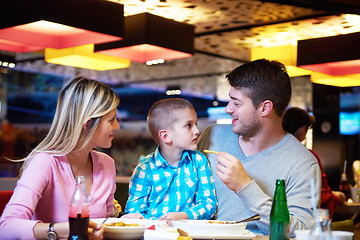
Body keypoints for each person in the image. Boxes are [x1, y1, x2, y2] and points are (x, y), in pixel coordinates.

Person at [197, 59, 321, 237]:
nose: (228, 109)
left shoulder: (303, 163)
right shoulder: (213, 136)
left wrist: (245, 187)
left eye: (236, 103)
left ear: (265, 108)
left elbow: (301, 233)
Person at [0, 76, 120, 239]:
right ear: (87, 125)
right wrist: (61, 230)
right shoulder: (45, 162)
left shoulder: (107, 164)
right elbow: (6, 227)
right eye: (111, 120)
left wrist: (124, 221)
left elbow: (104, 225)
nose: (117, 126)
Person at [124, 98, 217, 220]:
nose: (197, 131)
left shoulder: (199, 161)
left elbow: (209, 204)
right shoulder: (145, 168)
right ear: (166, 136)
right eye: (188, 125)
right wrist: (158, 222)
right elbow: (134, 211)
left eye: (196, 124)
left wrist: (184, 216)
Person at [282, 107, 346, 218]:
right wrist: (336, 197)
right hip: (304, 216)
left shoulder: (274, 152)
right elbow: (319, 192)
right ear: (303, 129)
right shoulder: (308, 156)